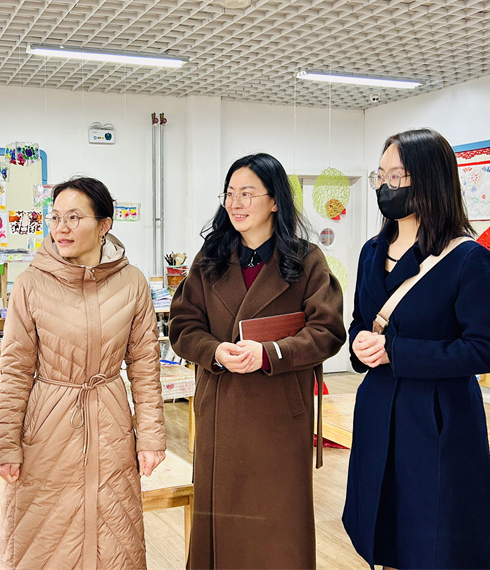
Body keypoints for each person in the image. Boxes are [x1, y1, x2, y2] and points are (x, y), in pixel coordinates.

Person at [169, 153, 346, 569]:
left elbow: (327, 331)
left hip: (279, 414)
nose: (236, 203)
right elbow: (183, 326)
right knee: (222, 521)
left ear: (275, 201)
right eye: (230, 194)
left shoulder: (306, 259)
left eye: (247, 193)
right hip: (221, 408)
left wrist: (270, 353)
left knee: (277, 526)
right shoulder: (210, 259)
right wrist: (214, 351)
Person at [343, 128, 490, 569]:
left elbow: (488, 349)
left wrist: (397, 352)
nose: (385, 186)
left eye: (397, 176)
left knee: (435, 540)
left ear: (430, 179)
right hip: (378, 410)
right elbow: (362, 320)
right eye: (381, 175)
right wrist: (360, 343)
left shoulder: (469, 258)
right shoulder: (371, 251)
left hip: (437, 420)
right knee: (384, 529)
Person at [0, 176, 166, 570]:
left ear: (104, 225)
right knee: (44, 540)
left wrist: (151, 436)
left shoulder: (132, 282)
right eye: (55, 218)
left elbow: (144, 366)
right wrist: (5, 444)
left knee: (113, 533)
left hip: (110, 422)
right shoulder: (30, 283)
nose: (61, 228)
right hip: (47, 427)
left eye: (74, 217)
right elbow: (15, 370)